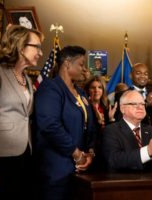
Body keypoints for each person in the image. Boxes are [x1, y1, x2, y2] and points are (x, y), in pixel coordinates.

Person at [0, 25, 44, 199]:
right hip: (1, 156)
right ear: (21, 46)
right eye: (36, 47)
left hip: (25, 154)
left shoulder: (28, 80)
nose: (40, 53)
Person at [34, 46, 96, 200]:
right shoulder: (50, 88)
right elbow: (50, 126)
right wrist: (76, 154)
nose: (84, 69)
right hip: (56, 171)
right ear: (67, 64)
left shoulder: (81, 93)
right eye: (81, 64)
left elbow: (91, 126)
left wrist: (90, 153)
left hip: (80, 172)